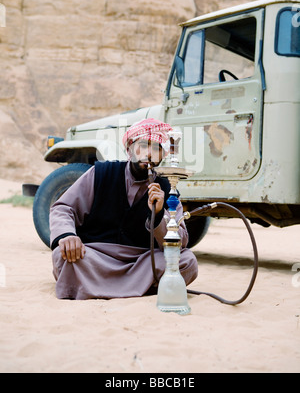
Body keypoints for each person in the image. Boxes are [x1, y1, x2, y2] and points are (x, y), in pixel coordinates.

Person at [50, 118, 198, 300]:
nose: (148, 154)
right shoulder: (101, 174)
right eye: (143, 146)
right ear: (129, 150)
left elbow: (180, 242)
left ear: (163, 156)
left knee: (187, 261)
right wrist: (66, 235)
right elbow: (63, 208)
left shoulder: (168, 189)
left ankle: (94, 286)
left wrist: (160, 215)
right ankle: (142, 289)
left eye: (156, 148)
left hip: (141, 260)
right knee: (63, 254)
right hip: (97, 255)